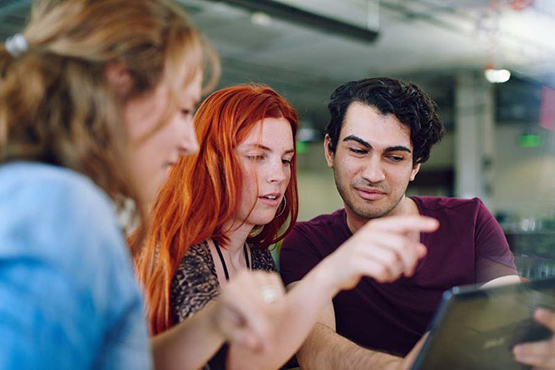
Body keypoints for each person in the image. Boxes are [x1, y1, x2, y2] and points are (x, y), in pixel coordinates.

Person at [0, 1, 293, 369]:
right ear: (119, 85)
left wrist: (214, 322)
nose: (190, 142)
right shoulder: (64, 207)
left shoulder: (47, 194)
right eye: (184, 111)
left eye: (286, 160)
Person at [137, 83, 440, 370]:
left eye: (285, 160)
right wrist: (332, 272)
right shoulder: (178, 252)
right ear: (212, 162)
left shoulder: (257, 258)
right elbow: (230, 361)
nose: (278, 175)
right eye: (257, 157)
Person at [279, 76, 555, 369]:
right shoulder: (308, 242)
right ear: (329, 151)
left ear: (415, 166)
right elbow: (315, 348)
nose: (373, 173)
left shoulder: (469, 220)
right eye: (359, 151)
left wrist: (538, 343)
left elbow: (507, 312)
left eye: (394, 157)